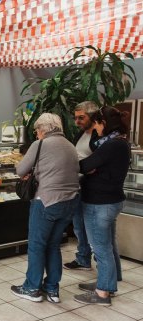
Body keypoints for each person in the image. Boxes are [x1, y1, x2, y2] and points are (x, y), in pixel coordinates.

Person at [11, 113, 80, 303]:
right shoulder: (70, 145)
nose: (36, 134)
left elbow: (20, 170)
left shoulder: (40, 144)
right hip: (70, 201)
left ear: (42, 129)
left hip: (47, 200)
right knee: (53, 245)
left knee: (37, 245)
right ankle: (52, 289)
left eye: (36, 131)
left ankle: (31, 288)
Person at [74, 106, 130, 306]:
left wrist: (90, 168)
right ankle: (107, 282)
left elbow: (84, 166)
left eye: (96, 124)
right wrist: (93, 168)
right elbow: (94, 166)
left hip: (100, 202)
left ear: (103, 123)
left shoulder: (111, 145)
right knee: (107, 244)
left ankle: (102, 293)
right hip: (111, 200)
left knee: (100, 247)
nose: (95, 129)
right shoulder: (119, 142)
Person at [64, 101, 99, 271]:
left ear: (92, 116)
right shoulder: (81, 134)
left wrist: (85, 168)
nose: (77, 121)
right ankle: (83, 258)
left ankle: (102, 265)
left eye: (81, 118)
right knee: (78, 224)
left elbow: (100, 162)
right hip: (77, 185)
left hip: (91, 188)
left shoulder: (99, 137)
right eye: (76, 118)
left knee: (93, 228)